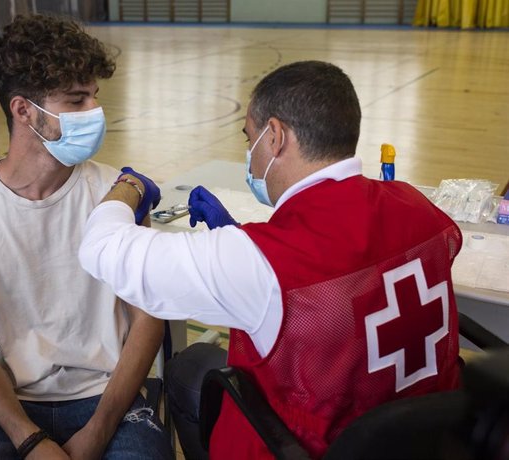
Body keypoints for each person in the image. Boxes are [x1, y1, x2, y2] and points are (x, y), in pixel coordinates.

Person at [79, 61, 462, 459]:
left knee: (189, 366)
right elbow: (348, 265)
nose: (249, 154)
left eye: (250, 139)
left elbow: (102, 246)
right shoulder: (416, 205)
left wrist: (130, 185)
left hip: (312, 447)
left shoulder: (260, 262)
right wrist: (241, 239)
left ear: (275, 136)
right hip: (426, 437)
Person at [0, 14, 172, 460]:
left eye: (94, 98)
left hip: (108, 395)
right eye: (77, 101)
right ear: (24, 111)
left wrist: (100, 429)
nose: (94, 114)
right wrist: (28, 439)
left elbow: (148, 319)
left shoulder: (116, 195)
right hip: (11, 402)